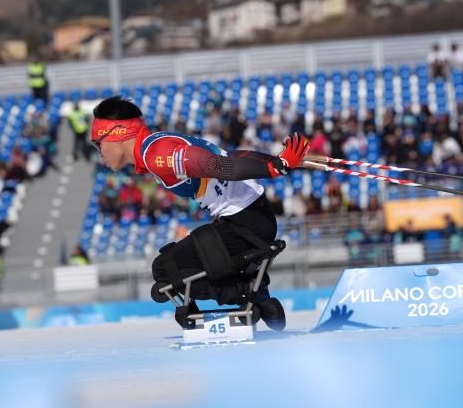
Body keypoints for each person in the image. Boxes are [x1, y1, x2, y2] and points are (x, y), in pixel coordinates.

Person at [90, 96, 311, 331]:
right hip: (250, 218)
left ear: (118, 132)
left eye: (98, 144)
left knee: (165, 269)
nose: (99, 154)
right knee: (174, 262)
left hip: (245, 223)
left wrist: (274, 167)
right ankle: (259, 297)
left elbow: (218, 166)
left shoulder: (157, 155)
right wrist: (276, 162)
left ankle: (248, 292)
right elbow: (230, 156)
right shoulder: (156, 146)